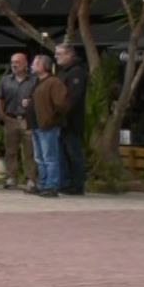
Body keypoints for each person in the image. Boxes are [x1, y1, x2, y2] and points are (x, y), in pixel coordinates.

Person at [0, 52, 38, 191]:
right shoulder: (5, 80)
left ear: (26, 64)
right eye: (12, 61)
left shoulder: (34, 80)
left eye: (18, 62)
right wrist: (2, 114)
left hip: (27, 120)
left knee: (29, 151)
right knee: (10, 150)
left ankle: (31, 179)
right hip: (10, 118)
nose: (14, 64)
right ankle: (11, 178)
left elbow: (39, 98)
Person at [29, 54, 70, 198]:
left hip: (47, 125)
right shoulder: (37, 82)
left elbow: (61, 104)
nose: (32, 66)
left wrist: (52, 119)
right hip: (36, 125)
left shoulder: (54, 82)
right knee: (40, 157)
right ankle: (43, 184)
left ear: (42, 65)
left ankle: (51, 186)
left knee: (50, 157)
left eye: (34, 63)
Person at [54, 44, 89, 196]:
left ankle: (77, 184)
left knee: (73, 152)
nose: (56, 57)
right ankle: (66, 182)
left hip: (71, 120)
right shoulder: (64, 72)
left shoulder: (77, 72)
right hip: (62, 121)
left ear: (69, 55)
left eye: (59, 54)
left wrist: (61, 113)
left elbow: (74, 98)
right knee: (62, 153)